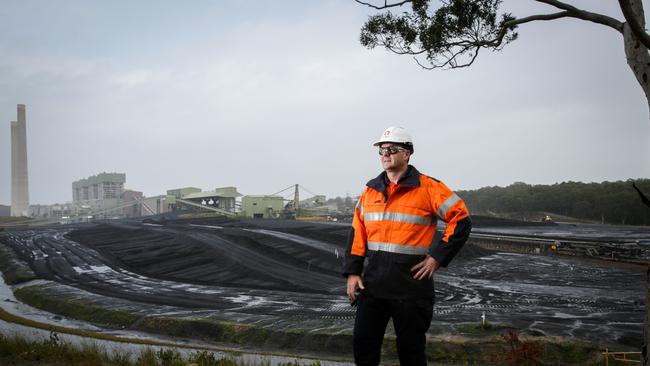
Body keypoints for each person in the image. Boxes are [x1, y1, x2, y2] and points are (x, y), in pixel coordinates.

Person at [343, 126, 472, 366]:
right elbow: (357, 232)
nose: (386, 154)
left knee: (411, 353)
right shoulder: (370, 191)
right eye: (382, 150)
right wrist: (352, 272)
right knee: (363, 347)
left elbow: (461, 220)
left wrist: (436, 257)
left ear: (408, 153)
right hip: (374, 285)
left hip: (412, 288)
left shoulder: (429, 188)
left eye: (392, 149)